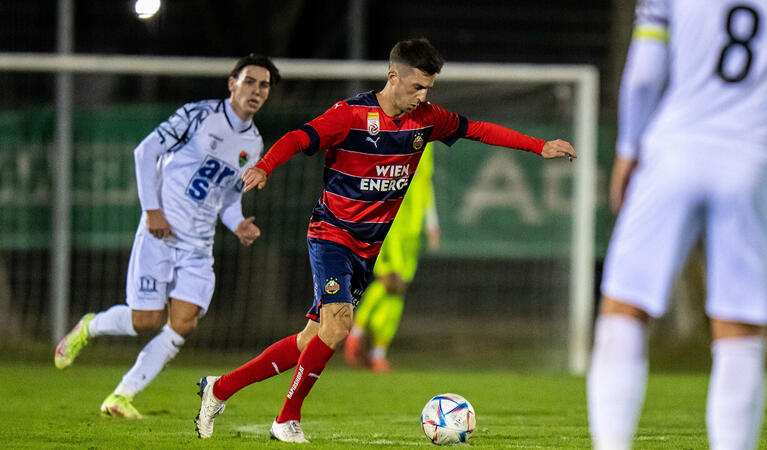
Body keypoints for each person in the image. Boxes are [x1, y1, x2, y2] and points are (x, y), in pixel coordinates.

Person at [194, 37, 576, 443]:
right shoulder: (351, 115)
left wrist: (539, 146)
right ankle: (286, 419)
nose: (423, 96)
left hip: (367, 248)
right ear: (393, 76)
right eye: (417, 87)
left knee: (312, 338)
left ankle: (220, 389)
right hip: (331, 234)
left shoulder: (427, 119)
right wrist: (266, 165)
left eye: (429, 88)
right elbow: (298, 137)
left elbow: (478, 130)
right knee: (339, 327)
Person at [588, 1, 767, 449]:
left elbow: (645, 74)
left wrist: (628, 149)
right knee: (740, 328)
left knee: (625, 306)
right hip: (754, 155)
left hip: (675, 149)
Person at [53, 54, 280, 419]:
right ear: (231, 83)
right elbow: (145, 151)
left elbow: (228, 198)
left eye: (264, 85)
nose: (256, 90)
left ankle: (120, 397)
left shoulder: (253, 144)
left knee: (183, 323)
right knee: (145, 321)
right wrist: (152, 210)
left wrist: (237, 223)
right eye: (249, 81)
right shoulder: (198, 115)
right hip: (160, 233)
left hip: (198, 246)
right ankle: (90, 325)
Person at [344, 142, 440, 373]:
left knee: (398, 290)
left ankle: (378, 352)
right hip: (391, 224)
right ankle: (356, 331)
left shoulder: (430, 136)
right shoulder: (392, 132)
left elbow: (425, 182)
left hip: (412, 229)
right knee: (390, 281)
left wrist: (431, 222)